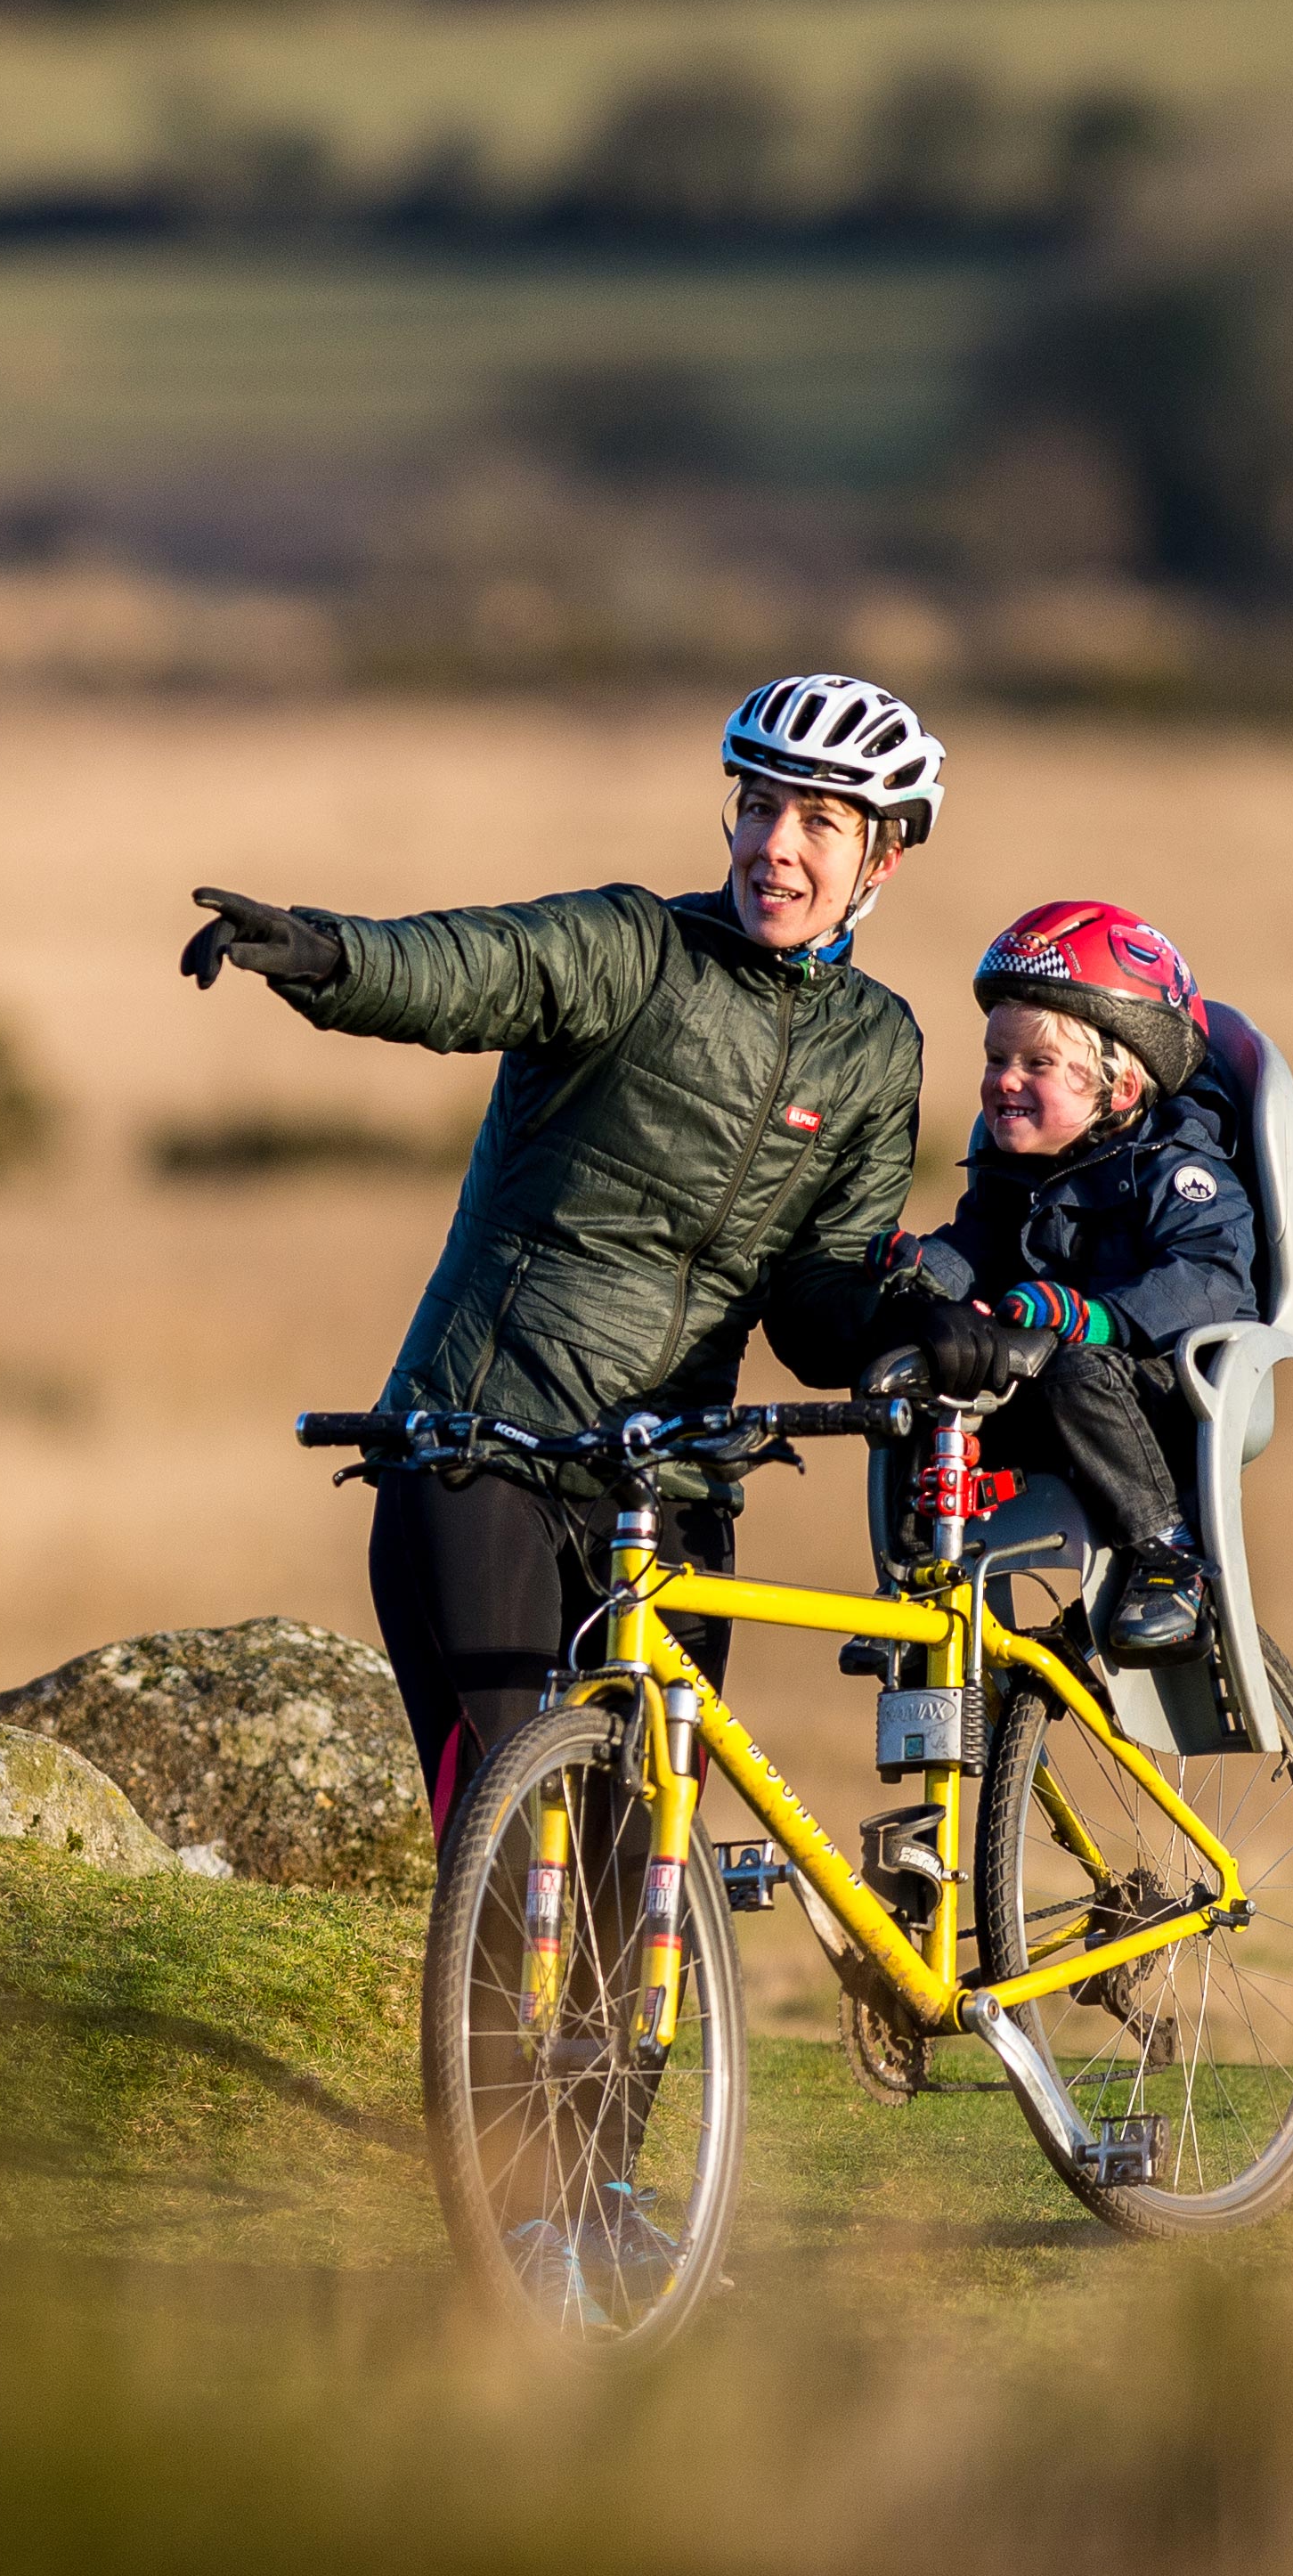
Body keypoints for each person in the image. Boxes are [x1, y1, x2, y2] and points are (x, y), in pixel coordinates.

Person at [180, 673, 943, 1834]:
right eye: (757, 808)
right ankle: (470, 2023)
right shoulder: (634, 948)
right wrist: (331, 959)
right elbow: (478, 967)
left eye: (819, 823)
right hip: (483, 1447)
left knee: (633, 1883)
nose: (775, 848)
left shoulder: (879, 1050)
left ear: (880, 860)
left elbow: (814, 1303)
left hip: (668, 1483)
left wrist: (906, 1319)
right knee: (499, 1829)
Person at [882, 900, 1257, 1666]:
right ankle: (924, 1582)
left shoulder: (1176, 1169)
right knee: (922, 1374)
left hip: (1161, 1391)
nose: (1003, 1083)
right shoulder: (1015, 1169)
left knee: (1076, 1368)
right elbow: (979, 1245)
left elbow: (1217, 1278)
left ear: (1118, 1090)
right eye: (995, 1059)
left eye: (1036, 1065)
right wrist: (925, 1272)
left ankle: (1170, 1559)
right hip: (1049, 1377)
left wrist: (1097, 1317)